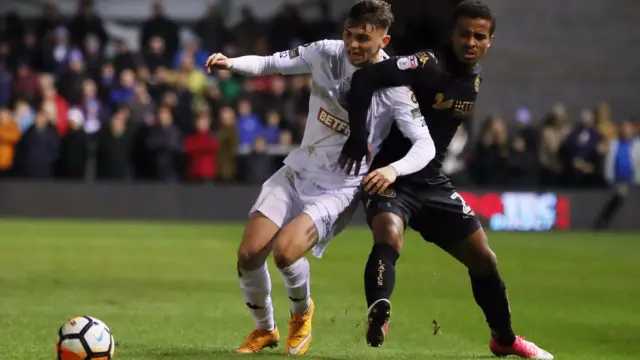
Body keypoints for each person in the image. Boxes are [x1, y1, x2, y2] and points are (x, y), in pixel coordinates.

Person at [205, 0, 435, 355]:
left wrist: (391, 169)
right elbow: (270, 63)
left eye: (363, 38)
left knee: (285, 252)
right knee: (249, 253)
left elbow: (425, 145)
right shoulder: (326, 53)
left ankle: (302, 313)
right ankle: (265, 329)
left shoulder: (395, 88)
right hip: (298, 170)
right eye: (348, 34)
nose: (353, 44)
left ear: (383, 42)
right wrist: (230, 63)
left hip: (338, 188)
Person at [337, 1, 554, 359]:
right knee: (389, 234)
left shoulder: (475, 78)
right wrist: (358, 138)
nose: (471, 41)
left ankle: (504, 340)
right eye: (465, 33)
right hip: (389, 173)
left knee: (485, 259)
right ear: (452, 34)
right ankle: (379, 309)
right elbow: (363, 79)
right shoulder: (426, 63)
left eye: (479, 36)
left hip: (432, 182)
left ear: (490, 41)